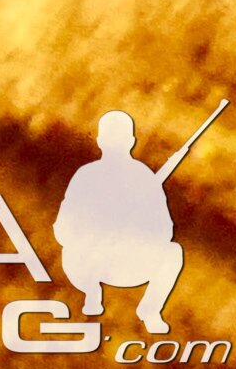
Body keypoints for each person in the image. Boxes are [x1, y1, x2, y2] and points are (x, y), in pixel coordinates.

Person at [56, 111, 187, 335]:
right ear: (131, 141)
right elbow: (64, 229)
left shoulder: (141, 178)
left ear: (100, 141)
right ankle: (92, 294)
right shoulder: (89, 176)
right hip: (92, 263)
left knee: (172, 252)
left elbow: (164, 230)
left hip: (127, 263)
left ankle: (149, 310)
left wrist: (135, 226)